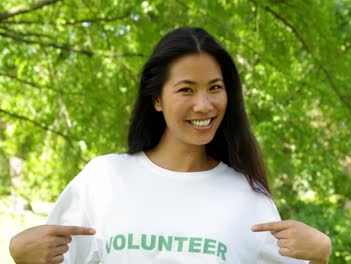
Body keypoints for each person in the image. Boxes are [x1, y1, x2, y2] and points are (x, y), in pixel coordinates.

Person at [9, 26, 331, 264]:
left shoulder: (248, 199)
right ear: (157, 99)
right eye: (186, 90)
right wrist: (23, 260)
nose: (204, 105)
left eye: (215, 88)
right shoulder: (103, 179)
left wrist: (318, 258)